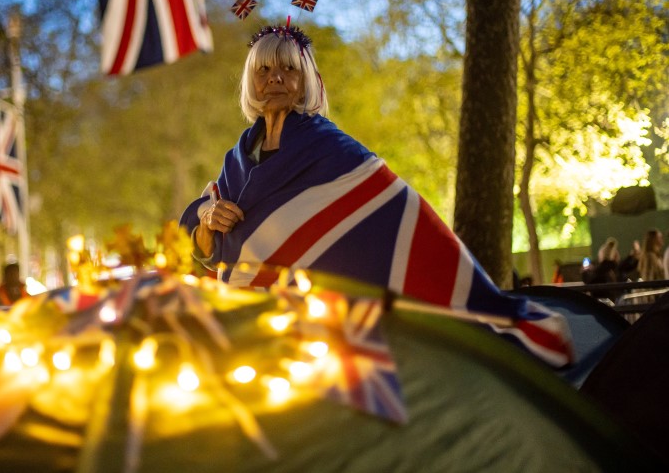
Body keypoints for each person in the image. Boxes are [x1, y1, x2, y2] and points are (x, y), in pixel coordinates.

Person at [179, 24, 573, 367]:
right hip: (251, 323)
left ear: (307, 80)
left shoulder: (330, 148)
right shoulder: (236, 158)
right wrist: (208, 217)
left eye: (288, 68)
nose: (276, 78)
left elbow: (391, 211)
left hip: (315, 328)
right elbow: (206, 245)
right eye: (264, 69)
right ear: (251, 82)